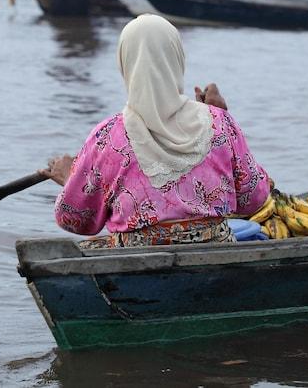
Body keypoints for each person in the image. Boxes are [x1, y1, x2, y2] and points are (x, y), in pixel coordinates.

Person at [38, 14, 271, 248]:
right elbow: (254, 199)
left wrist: (71, 179)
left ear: (125, 62)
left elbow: (74, 221)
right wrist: (222, 117)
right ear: (177, 58)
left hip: (134, 261)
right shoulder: (219, 122)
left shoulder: (107, 136)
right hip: (219, 253)